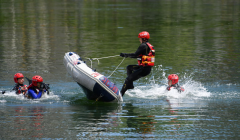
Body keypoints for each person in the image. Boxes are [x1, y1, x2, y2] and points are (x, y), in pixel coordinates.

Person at [120, 31, 155, 96]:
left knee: (128, 79)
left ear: (144, 39)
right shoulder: (148, 46)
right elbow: (138, 56)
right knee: (129, 67)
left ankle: (120, 95)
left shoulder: (143, 45)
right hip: (146, 69)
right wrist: (126, 55)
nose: (139, 40)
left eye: (140, 38)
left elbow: (135, 54)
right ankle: (130, 86)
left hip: (144, 70)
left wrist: (125, 55)